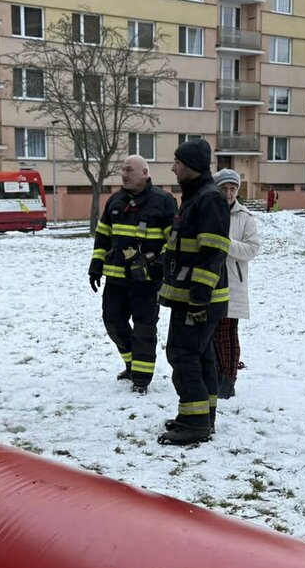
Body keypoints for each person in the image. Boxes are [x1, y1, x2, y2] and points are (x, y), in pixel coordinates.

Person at [157, 139, 229, 446]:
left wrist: (199, 295)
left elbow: (213, 251)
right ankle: (202, 415)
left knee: (182, 354)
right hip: (193, 296)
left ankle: (195, 422)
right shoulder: (196, 197)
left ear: (191, 166)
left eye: (177, 163)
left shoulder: (208, 199)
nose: (173, 168)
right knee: (200, 356)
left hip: (198, 299)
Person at [89, 154, 177, 393]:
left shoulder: (164, 201)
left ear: (145, 173)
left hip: (147, 282)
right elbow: (103, 235)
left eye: (129, 170)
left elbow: (174, 240)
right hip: (116, 278)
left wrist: (158, 265)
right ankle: (130, 363)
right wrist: (96, 265)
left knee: (144, 328)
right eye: (123, 170)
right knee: (113, 322)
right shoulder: (115, 201)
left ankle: (141, 378)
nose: (124, 174)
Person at [213, 169, 260, 399]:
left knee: (227, 333)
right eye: (224, 189)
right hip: (210, 281)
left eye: (232, 189)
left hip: (233, 283)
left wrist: (226, 244)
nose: (229, 193)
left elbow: (252, 249)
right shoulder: (209, 211)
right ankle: (216, 375)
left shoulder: (245, 217)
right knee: (211, 333)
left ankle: (228, 380)